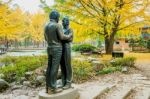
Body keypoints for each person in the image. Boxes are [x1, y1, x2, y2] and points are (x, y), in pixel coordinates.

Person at [44, 10, 72, 94]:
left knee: (49, 67)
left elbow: (45, 38)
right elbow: (62, 37)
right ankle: (53, 88)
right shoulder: (57, 25)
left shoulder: (46, 26)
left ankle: (48, 87)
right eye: (59, 18)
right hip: (57, 48)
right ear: (56, 17)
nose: (59, 19)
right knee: (54, 68)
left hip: (49, 48)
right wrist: (69, 35)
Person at [60, 16, 73, 90]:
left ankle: (68, 82)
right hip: (60, 48)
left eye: (63, 21)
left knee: (68, 65)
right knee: (62, 65)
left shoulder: (70, 29)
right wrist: (66, 37)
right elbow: (62, 38)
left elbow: (71, 39)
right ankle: (63, 81)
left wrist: (63, 38)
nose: (62, 22)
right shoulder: (61, 29)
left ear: (67, 22)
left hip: (67, 48)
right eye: (62, 21)